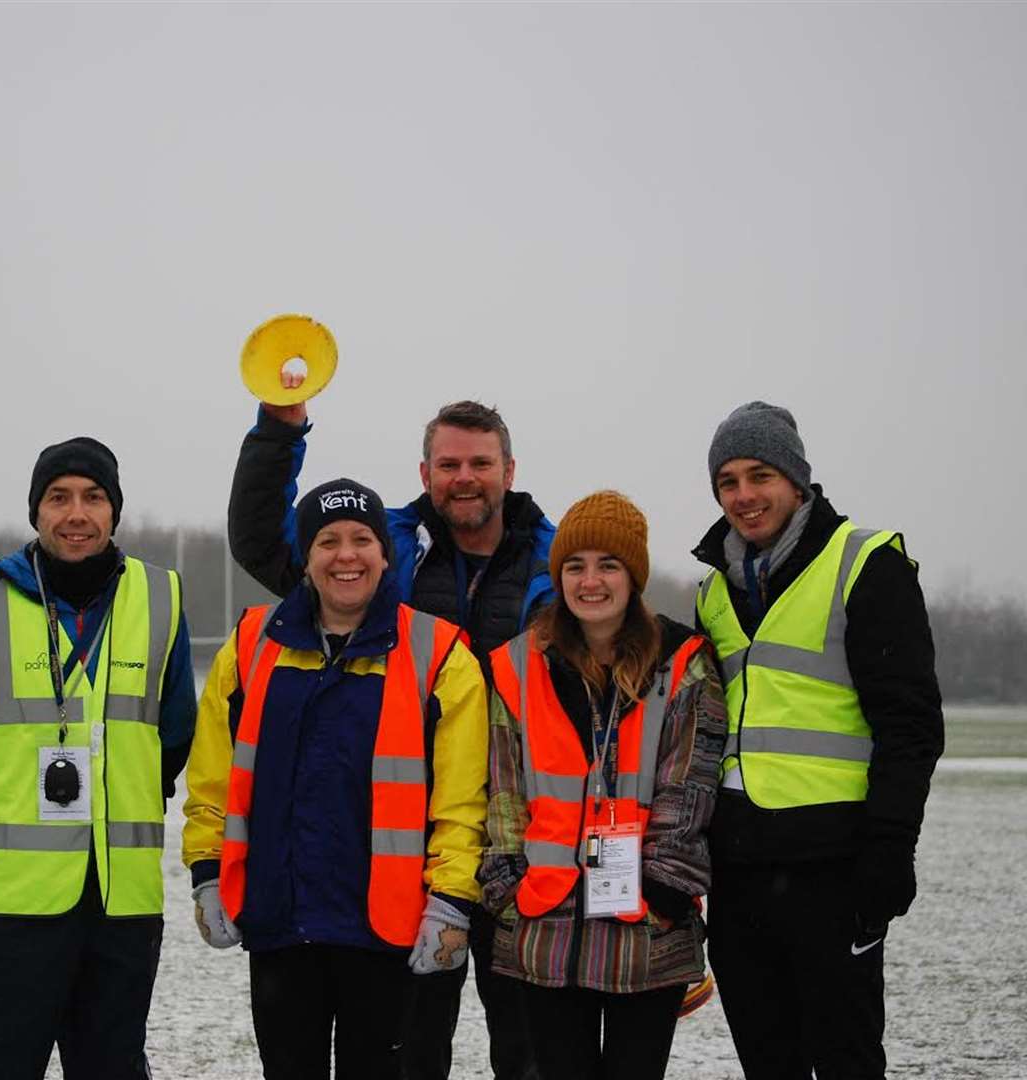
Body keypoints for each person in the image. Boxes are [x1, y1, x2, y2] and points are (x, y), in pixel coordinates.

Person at [230, 387, 551, 1078]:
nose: (463, 478)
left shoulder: (555, 564)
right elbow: (264, 540)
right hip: (410, 864)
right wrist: (279, 430)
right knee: (413, 1054)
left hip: (526, 843)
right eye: (447, 464)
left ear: (509, 470)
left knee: (529, 1053)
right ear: (424, 474)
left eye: (479, 463)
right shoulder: (386, 551)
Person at [0, 435, 196, 1080]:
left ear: (114, 512)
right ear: (36, 513)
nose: (76, 513)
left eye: (93, 498)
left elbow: (175, 730)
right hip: (16, 898)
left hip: (122, 898)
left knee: (112, 1067)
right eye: (58, 497)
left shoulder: (161, 597)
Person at [184, 477, 489, 1080]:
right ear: (305, 556)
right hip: (279, 920)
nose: (345, 555)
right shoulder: (250, 646)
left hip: (389, 930)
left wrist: (452, 900)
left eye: (360, 539)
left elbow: (462, 802)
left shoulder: (440, 655)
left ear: (384, 554)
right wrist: (206, 870)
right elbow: (213, 778)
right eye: (327, 540)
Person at [692, 402, 944, 1079]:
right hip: (739, 873)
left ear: (796, 480)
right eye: (727, 482)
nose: (743, 497)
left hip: (834, 868)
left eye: (759, 475)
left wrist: (889, 849)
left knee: (844, 1061)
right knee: (767, 1063)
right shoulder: (712, 589)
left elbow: (910, 724)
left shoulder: (862, 564)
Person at [482, 490, 726, 1079]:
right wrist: (507, 885)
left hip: (645, 929)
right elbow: (503, 786)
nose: (590, 581)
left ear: (633, 576)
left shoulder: (684, 663)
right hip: (546, 927)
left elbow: (689, 785)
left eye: (608, 565)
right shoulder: (517, 666)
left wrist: (664, 892)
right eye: (575, 566)